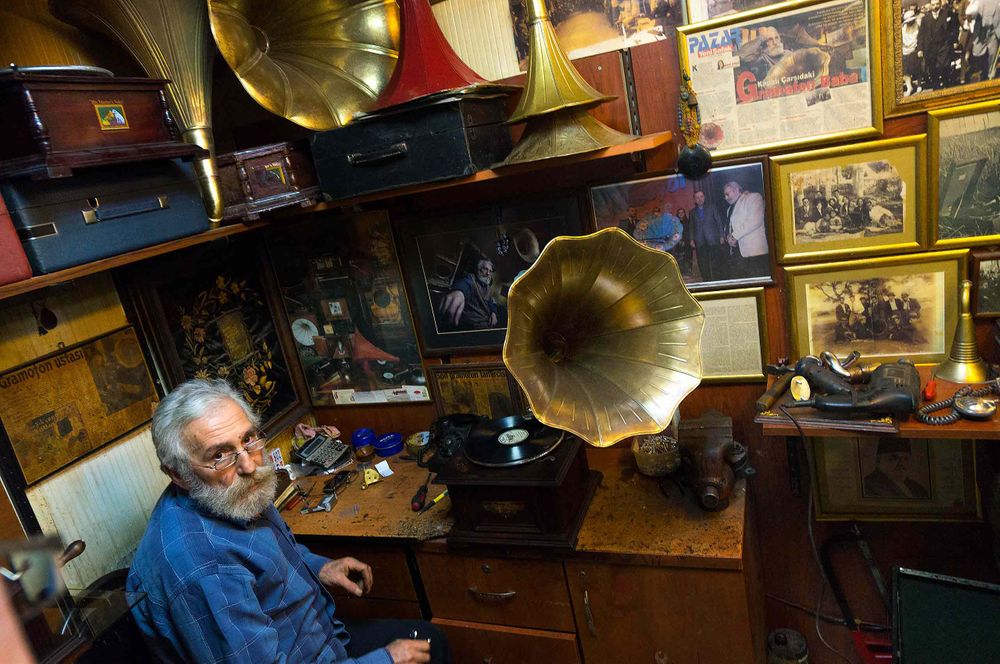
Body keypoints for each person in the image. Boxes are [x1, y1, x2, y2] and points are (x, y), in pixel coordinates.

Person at [127, 379, 449, 663]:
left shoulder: (231, 493)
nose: (249, 466)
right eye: (219, 455)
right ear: (178, 474)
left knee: (432, 641)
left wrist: (318, 567)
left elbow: (266, 558)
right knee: (426, 646)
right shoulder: (202, 569)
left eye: (249, 439)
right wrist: (386, 660)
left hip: (324, 639)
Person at [723, 181, 769, 278]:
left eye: (727, 194)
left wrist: (734, 236)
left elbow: (755, 220)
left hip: (754, 254)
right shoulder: (729, 209)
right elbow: (730, 227)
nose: (725, 198)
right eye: (724, 195)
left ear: (736, 190)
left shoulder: (754, 197)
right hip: (738, 255)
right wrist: (728, 237)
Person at [439, 258, 499, 330]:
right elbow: (465, 284)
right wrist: (459, 293)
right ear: (478, 269)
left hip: (488, 324)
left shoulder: (488, 287)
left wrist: (494, 313)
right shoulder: (471, 279)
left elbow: (491, 302)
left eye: (490, 271)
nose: (488, 273)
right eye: (485, 269)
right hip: (474, 326)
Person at [863, 439, 930, 499]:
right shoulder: (868, 486)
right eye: (894, 458)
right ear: (878, 461)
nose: (901, 463)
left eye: (906, 459)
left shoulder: (918, 489)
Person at [917, 0, 960, 89]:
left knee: (944, 66)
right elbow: (921, 34)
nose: (935, 6)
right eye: (933, 4)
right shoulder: (925, 19)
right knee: (932, 67)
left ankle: (946, 83)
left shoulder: (947, 14)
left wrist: (954, 40)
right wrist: (920, 48)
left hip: (944, 45)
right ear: (930, 5)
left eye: (937, 4)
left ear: (940, 4)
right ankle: (936, 86)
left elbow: (954, 27)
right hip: (930, 47)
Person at [689, 190, 726, 281]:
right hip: (700, 241)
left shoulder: (712, 207)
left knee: (716, 261)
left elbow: (719, 222)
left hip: (713, 239)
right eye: (697, 197)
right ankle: (707, 280)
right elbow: (691, 227)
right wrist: (691, 239)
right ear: (694, 200)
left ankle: (718, 280)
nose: (699, 199)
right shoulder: (692, 212)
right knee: (703, 263)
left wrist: (721, 236)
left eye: (701, 196)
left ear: (704, 197)